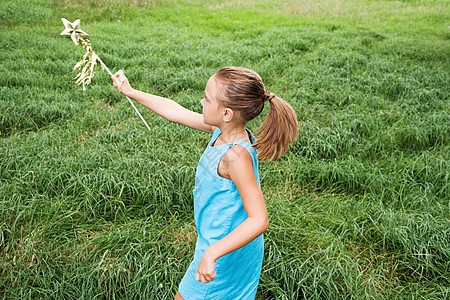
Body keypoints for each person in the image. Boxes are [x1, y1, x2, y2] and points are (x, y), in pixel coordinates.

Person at [111, 67, 298, 299]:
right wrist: (130, 91)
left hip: (224, 249)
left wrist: (212, 253)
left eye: (207, 99)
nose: (201, 101)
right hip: (220, 242)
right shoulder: (220, 130)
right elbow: (174, 111)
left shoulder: (235, 157)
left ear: (227, 113)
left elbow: (259, 219)